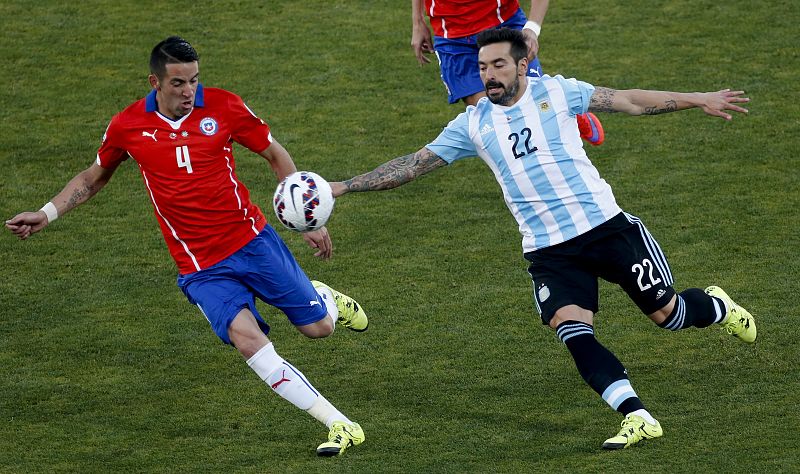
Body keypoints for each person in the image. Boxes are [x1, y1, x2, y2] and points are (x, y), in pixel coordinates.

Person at [330, 28, 755, 449]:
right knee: (573, 330)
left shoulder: (558, 93)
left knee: (671, 315)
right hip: (549, 250)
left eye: (498, 65)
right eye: (482, 68)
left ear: (521, 64)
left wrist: (699, 99)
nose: (489, 76)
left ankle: (718, 306)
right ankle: (637, 417)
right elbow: (412, 165)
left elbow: (627, 100)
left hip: (607, 229)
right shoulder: (473, 124)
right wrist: (344, 187)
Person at [5, 36, 367, 457]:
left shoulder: (225, 107)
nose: (188, 92)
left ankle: (322, 296)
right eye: (178, 83)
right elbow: (92, 178)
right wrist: (46, 213)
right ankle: (340, 423)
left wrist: (306, 216)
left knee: (318, 328)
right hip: (200, 267)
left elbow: (272, 153)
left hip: (251, 241)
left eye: (194, 81)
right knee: (249, 342)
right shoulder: (128, 126)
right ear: (155, 81)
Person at [411, 0, 605, 146]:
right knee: (495, 115)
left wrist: (532, 29)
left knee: (532, 105)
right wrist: (418, 21)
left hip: (503, 25)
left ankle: (566, 108)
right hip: (453, 40)